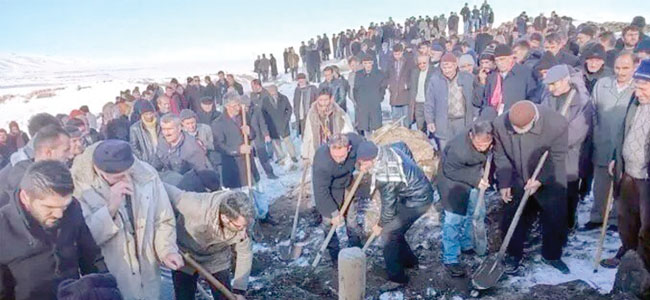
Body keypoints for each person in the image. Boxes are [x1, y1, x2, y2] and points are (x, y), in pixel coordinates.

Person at [71, 140, 183, 300]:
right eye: (118, 177)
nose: (126, 179)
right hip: (113, 278)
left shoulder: (146, 175)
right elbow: (85, 239)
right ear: (99, 170)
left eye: (127, 173)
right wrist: (111, 207)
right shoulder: (79, 189)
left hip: (149, 274)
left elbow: (163, 219)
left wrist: (166, 250)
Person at [0, 161, 107, 300]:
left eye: (63, 206)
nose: (59, 215)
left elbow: (91, 257)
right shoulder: (3, 226)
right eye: (49, 207)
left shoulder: (73, 209)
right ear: (25, 197)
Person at [493, 100, 570, 274]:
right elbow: (501, 155)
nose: (518, 133)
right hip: (517, 173)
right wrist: (504, 182)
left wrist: (540, 179)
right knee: (511, 213)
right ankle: (513, 254)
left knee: (554, 215)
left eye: (523, 130)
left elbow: (558, 157)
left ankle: (552, 255)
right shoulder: (499, 124)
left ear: (534, 119)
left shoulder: (556, 123)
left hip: (548, 174)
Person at [356, 139, 434, 291]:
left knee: (388, 233)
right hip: (412, 194)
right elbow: (403, 145)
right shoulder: (386, 149)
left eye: (364, 164)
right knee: (397, 230)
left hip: (418, 200)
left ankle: (397, 278)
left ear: (372, 159)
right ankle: (410, 261)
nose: (362, 167)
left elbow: (388, 209)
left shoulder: (386, 175)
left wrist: (380, 225)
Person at [602, 59, 650, 269]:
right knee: (626, 219)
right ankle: (628, 253)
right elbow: (623, 130)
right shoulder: (635, 101)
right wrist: (616, 157)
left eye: (643, 87)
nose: (638, 92)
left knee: (647, 226)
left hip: (647, 177)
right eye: (636, 86)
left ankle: (644, 266)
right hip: (629, 172)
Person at [165, 185, 251, 300]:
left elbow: (245, 254)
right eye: (239, 226)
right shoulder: (195, 206)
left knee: (224, 297)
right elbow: (165, 188)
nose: (243, 231)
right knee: (184, 295)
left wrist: (239, 290)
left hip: (216, 257)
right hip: (186, 254)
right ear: (225, 218)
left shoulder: (244, 220)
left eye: (245, 225)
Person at [582, 52, 636, 232]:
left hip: (626, 144)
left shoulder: (638, 88)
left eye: (626, 68)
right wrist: (596, 133)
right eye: (618, 68)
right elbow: (593, 110)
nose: (621, 72)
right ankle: (597, 216)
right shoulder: (602, 84)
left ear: (634, 67)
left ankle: (614, 219)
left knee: (621, 185)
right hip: (603, 141)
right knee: (600, 184)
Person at [540, 64, 593, 231]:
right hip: (549, 153)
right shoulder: (548, 97)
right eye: (548, 84)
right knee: (551, 189)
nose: (550, 87)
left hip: (571, 154)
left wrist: (554, 141)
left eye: (554, 84)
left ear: (565, 81)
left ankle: (569, 224)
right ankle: (551, 224)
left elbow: (578, 131)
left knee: (569, 191)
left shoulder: (582, 100)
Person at [438, 121, 493, 277]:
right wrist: (476, 180)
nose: (483, 148)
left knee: (472, 213)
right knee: (453, 220)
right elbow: (450, 170)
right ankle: (450, 259)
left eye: (486, 144)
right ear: (471, 136)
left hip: (473, 176)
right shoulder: (458, 148)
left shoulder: (489, 139)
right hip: (452, 181)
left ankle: (466, 244)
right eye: (479, 144)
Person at [312, 133, 364, 266]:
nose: (339, 160)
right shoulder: (322, 161)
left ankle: (356, 249)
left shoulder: (356, 143)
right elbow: (320, 191)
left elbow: (366, 150)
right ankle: (335, 256)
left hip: (347, 184)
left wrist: (362, 163)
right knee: (329, 223)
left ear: (349, 148)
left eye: (342, 156)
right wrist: (333, 213)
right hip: (329, 190)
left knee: (351, 219)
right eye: (335, 156)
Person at [0, 125, 73, 208]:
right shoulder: (22, 181)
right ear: (48, 152)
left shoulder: (52, 175)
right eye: (66, 150)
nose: (70, 155)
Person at [425, 52, 480, 151]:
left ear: (455, 66)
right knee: (445, 151)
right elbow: (429, 102)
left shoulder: (467, 78)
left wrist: (475, 114)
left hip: (462, 121)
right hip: (443, 122)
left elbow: (476, 97)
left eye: (449, 67)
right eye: (444, 68)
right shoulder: (435, 80)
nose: (447, 71)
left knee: (462, 150)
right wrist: (430, 121)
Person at [476, 44, 538, 115]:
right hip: (494, 117)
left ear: (511, 58)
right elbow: (486, 100)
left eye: (502, 59)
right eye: (497, 60)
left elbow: (532, 97)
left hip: (516, 116)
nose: (500, 63)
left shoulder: (525, 73)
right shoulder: (492, 76)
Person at [153, 114, 212, 185]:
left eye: (170, 129)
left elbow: (203, 175)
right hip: (167, 185)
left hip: (187, 188)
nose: (166, 133)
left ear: (179, 128)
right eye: (164, 129)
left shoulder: (192, 147)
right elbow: (155, 164)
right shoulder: (162, 142)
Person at [301, 87, 355, 163]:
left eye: (326, 100)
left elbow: (348, 132)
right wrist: (305, 155)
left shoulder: (339, 113)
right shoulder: (312, 114)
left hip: (336, 152)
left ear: (331, 99)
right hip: (317, 150)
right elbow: (307, 135)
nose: (323, 103)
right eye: (321, 100)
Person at [262, 85, 298, 165]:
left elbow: (289, 109)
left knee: (288, 140)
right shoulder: (265, 100)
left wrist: (286, 118)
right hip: (272, 125)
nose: (272, 93)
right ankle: (280, 157)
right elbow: (263, 112)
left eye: (273, 91)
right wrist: (267, 122)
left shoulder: (283, 98)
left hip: (283, 122)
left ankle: (293, 155)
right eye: (270, 91)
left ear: (276, 90)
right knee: (276, 142)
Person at [353, 55, 387, 137]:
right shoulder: (358, 75)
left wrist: (379, 98)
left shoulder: (379, 74)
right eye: (365, 63)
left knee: (377, 128)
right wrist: (359, 101)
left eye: (369, 63)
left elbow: (383, 88)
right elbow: (355, 90)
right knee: (365, 128)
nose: (368, 65)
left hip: (375, 104)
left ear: (372, 63)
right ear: (363, 64)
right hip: (363, 105)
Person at [386, 44, 412, 127]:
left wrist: (407, 85)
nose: (397, 56)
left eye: (398, 54)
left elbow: (413, 77)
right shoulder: (390, 63)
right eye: (395, 54)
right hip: (394, 95)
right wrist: (389, 85)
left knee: (406, 120)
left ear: (402, 52)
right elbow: (386, 75)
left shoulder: (408, 62)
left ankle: (407, 137)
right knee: (395, 121)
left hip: (405, 95)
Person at [408, 55, 435, 132]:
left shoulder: (434, 72)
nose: (422, 65)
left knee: (432, 126)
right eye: (420, 64)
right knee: (420, 127)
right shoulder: (415, 72)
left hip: (429, 103)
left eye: (424, 63)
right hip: (418, 103)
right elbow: (413, 88)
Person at [129, 101, 160, 167]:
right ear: (142, 114)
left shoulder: (160, 124)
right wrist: (142, 158)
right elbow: (134, 147)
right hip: (147, 160)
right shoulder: (135, 128)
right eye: (146, 114)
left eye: (150, 113)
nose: (149, 116)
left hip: (161, 157)